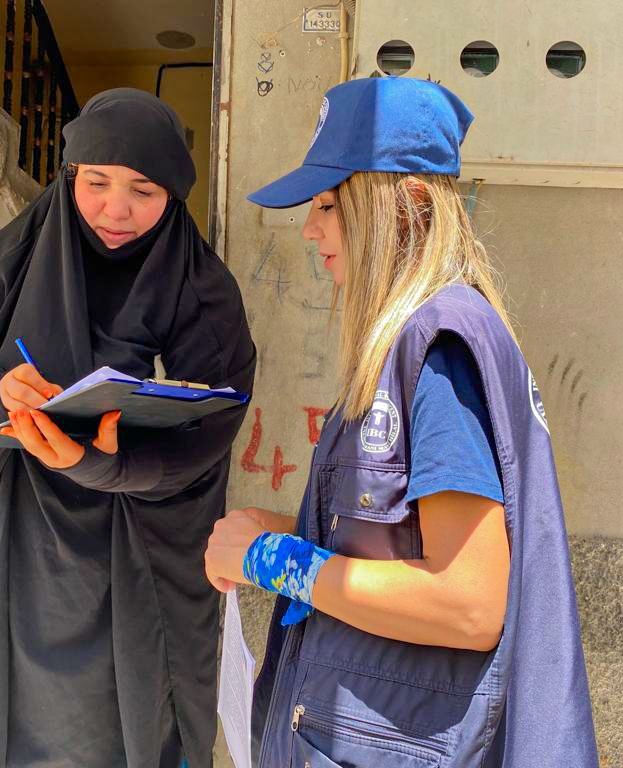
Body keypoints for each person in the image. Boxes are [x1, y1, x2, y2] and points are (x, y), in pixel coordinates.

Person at [204, 76, 598, 767]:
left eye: (330, 205)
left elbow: (466, 604)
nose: (310, 228)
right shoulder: (415, 341)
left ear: (409, 203)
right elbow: (398, 548)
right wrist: (290, 532)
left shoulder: (437, 347)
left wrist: (274, 560)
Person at [0, 88, 256, 768]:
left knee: (121, 721)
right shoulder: (12, 259)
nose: (115, 210)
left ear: (173, 197)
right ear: (70, 175)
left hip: (130, 550)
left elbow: (209, 427)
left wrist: (104, 465)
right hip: (12, 538)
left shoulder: (200, 290)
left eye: (143, 190)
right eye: (95, 182)